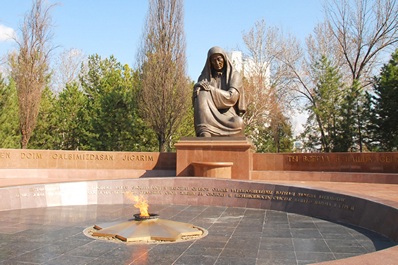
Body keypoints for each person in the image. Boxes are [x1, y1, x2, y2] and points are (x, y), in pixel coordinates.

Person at [193, 46, 246, 137]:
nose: (217, 63)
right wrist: (197, 88)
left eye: (219, 59)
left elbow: (231, 97)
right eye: (213, 60)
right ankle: (205, 130)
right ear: (210, 63)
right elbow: (198, 103)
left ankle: (211, 130)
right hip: (208, 115)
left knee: (239, 122)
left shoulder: (234, 75)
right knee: (201, 92)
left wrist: (211, 89)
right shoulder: (204, 78)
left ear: (224, 59)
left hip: (228, 117)